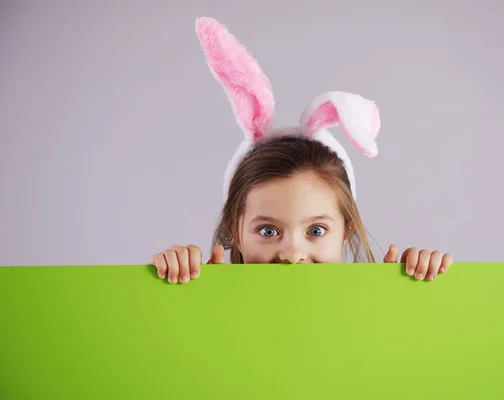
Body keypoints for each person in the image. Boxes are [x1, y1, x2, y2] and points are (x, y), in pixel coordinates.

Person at [148, 17, 453, 284]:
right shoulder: (204, 303)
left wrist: (406, 294)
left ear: (345, 231)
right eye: (268, 231)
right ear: (234, 231)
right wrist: (186, 292)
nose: (293, 254)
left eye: (316, 231)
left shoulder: (378, 305)